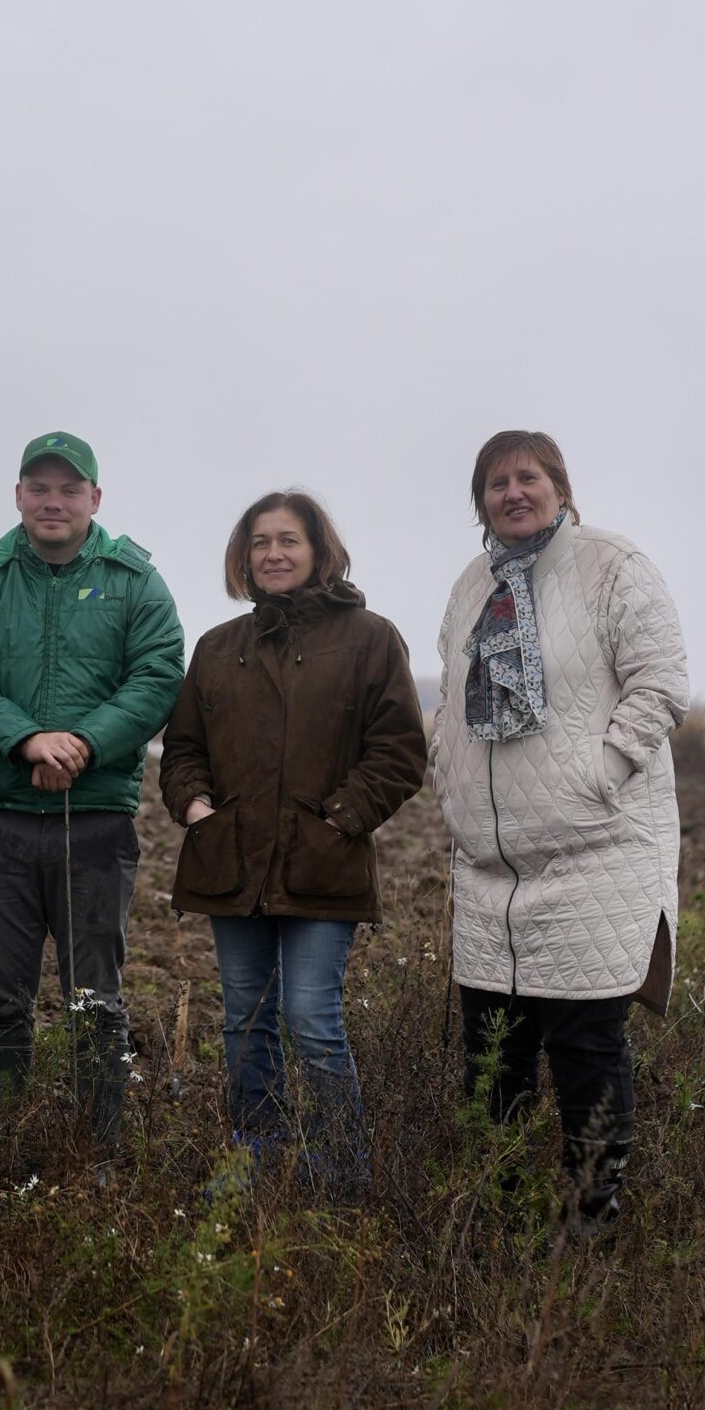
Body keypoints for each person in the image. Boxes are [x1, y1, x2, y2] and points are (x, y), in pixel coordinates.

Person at [430, 430, 688, 1235]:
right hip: (490, 870)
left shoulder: (613, 565)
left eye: (528, 477)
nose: (512, 492)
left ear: (560, 486)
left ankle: (590, 1221)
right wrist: (447, 775)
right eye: (496, 482)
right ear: (481, 502)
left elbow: (661, 681)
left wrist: (602, 772)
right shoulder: (471, 584)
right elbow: (449, 699)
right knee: (492, 1057)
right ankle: (499, 1223)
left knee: (585, 1050)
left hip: (595, 853)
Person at [159, 489, 426, 1186]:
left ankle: (341, 1168)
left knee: (311, 1017)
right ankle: (256, 1156)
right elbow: (183, 748)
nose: (273, 554)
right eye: (260, 542)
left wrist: (339, 820)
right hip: (231, 862)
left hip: (321, 864)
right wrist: (197, 810)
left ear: (318, 551)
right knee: (245, 1020)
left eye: (288, 540)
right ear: (243, 556)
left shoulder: (370, 638)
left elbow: (400, 752)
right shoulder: (219, 648)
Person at [0, 432, 184, 1158]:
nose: (53, 502)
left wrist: (83, 744)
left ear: (94, 498)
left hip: (95, 824)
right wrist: (26, 740)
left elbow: (158, 674)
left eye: (70, 490)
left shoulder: (135, 582)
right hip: (0, 823)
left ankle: (94, 1159)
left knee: (95, 1004)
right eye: (39, 488)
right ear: (18, 495)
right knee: (0, 1003)